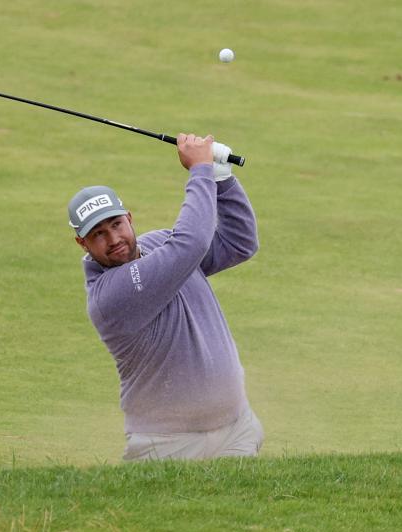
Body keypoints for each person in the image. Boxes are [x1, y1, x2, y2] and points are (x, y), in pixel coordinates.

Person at [67, 133, 262, 461]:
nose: (113, 238)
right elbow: (191, 244)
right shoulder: (110, 297)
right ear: (82, 244)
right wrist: (200, 171)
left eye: (116, 224)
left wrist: (222, 178)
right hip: (167, 446)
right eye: (98, 234)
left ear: (129, 218)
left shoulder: (160, 245)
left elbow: (239, 243)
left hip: (235, 431)